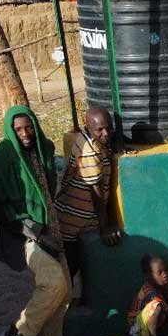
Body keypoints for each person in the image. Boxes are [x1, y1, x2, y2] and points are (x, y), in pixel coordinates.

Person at [0, 106, 72, 336]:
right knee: (54, 283)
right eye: (18, 129)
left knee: (64, 292)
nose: (25, 133)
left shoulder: (44, 148)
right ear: (10, 130)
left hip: (51, 227)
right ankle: (19, 334)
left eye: (28, 127)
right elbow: (0, 207)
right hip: (24, 233)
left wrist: (50, 229)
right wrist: (36, 231)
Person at [54, 107, 122, 280]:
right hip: (73, 220)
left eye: (109, 128)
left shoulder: (94, 141)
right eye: (100, 130)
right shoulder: (89, 151)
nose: (106, 133)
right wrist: (105, 227)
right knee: (68, 270)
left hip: (82, 216)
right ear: (87, 128)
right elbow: (96, 191)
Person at [127, 254, 168, 336]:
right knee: (157, 307)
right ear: (149, 276)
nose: (165, 275)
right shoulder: (149, 291)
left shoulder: (159, 287)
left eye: (165, 270)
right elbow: (167, 310)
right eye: (160, 272)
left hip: (143, 326)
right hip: (136, 331)